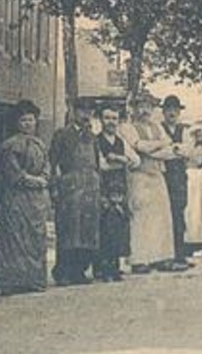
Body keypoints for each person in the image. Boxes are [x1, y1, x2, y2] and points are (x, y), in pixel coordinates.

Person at [0, 100, 50, 295]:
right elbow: (12, 172)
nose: (27, 124)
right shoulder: (10, 146)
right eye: (23, 120)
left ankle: (33, 279)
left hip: (36, 200)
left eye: (31, 120)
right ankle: (12, 281)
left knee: (35, 237)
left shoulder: (40, 144)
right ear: (17, 123)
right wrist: (33, 180)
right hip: (17, 198)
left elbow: (47, 166)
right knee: (15, 237)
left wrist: (44, 178)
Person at [121, 92, 182, 272]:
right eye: (140, 106)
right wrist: (158, 145)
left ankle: (161, 257)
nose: (144, 110)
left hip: (157, 175)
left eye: (148, 106)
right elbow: (138, 146)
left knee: (161, 217)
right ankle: (140, 260)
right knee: (140, 217)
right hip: (139, 175)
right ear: (134, 108)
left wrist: (152, 148)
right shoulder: (127, 127)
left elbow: (170, 151)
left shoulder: (157, 128)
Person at [48, 100, 100, 286]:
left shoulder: (93, 137)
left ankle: (79, 271)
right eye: (82, 110)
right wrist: (54, 187)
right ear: (73, 111)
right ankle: (63, 272)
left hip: (90, 188)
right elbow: (52, 164)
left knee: (87, 230)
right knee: (68, 229)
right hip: (70, 187)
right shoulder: (62, 135)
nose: (86, 115)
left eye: (89, 111)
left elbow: (98, 164)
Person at [92, 104, 134, 282]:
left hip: (120, 187)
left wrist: (118, 158)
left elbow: (135, 160)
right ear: (101, 120)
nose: (111, 122)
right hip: (103, 187)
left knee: (118, 227)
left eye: (114, 119)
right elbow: (101, 164)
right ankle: (101, 268)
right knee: (104, 226)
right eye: (107, 118)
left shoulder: (121, 141)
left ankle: (114, 267)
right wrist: (122, 162)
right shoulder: (95, 141)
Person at [159, 95, 193, 268]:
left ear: (179, 112)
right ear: (163, 112)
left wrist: (174, 150)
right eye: (168, 109)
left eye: (175, 109)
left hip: (179, 177)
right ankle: (165, 256)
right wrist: (175, 150)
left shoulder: (184, 130)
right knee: (164, 216)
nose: (171, 113)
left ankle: (179, 255)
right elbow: (160, 150)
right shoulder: (158, 129)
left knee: (179, 214)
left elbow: (188, 151)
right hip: (162, 177)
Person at [183, 122, 202, 254]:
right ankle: (189, 242)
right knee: (190, 210)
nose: (199, 134)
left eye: (201, 131)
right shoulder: (188, 147)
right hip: (190, 177)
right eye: (196, 132)